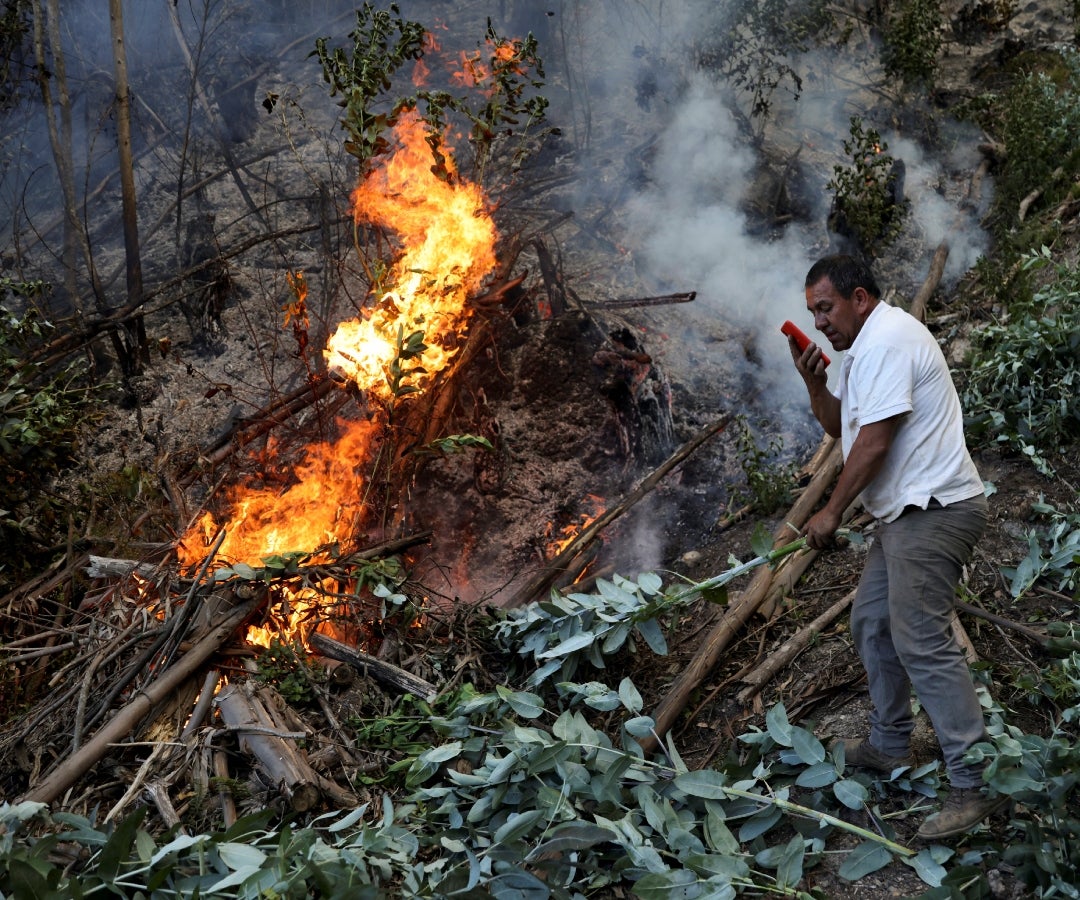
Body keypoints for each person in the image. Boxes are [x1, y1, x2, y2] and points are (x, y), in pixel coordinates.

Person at [786, 253, 1006, 841]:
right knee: (873, 623)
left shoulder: (887, 341)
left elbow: (876, 444)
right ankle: (888, 744)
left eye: (826, 308)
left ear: (860, 298)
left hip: (934, 510)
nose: (820, 322)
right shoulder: (863, 353)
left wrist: (831, 511)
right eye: (812, 313)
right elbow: (843, 428)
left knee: (919, 637)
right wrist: (815, 381)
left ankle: (975, 780)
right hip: (904, 515)